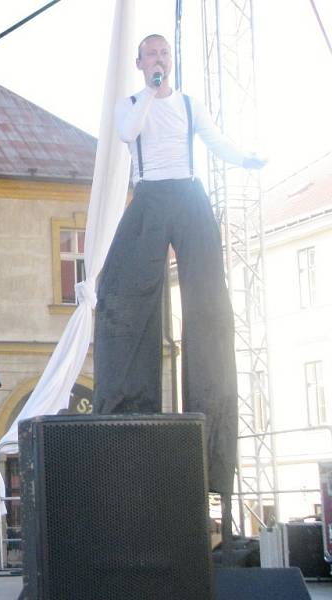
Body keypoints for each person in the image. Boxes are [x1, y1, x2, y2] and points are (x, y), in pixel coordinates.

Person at [93, 33, 266, 497]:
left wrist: (245, 158)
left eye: (164, 54)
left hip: (187, 193)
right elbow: (128, 133)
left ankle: (212, 447)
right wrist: (150, 90)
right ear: (139, 62)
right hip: (150, 196)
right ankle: (129, 424)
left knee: (208, 305)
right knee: (126, 296)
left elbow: (215, 140)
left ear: (171, 60)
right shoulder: (132, 102)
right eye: (151, 54)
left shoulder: (189, 104)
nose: (159, 59)